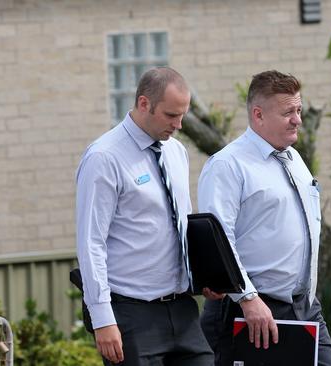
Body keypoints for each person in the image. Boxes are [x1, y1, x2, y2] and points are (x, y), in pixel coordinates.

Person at [198, 70, 331, 366]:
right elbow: (219, 240)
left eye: (298, 110)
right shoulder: (228, 165)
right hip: (251, 309)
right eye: (288, 112)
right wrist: (248, 299)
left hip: (303, 306)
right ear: (259, 115)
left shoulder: (294, 158)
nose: (297, 119)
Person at [76, 67, 214, 366]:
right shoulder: (104, 157)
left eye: (182, 116)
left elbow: (182, 225)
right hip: (131, 314)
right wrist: (102, 319)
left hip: (182, 308)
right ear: (143, 104)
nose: (178, 125)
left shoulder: (176, 152)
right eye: (170, 115)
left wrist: (204, 275)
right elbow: (91, 243)